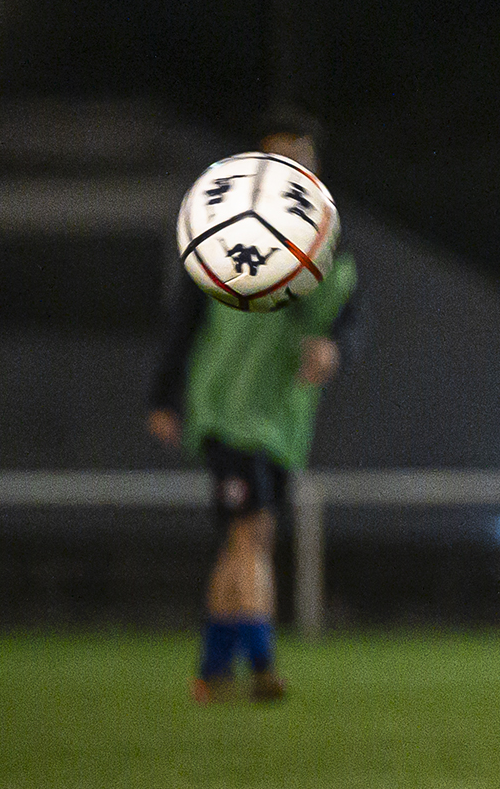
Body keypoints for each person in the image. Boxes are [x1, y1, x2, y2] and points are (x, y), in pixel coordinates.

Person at [147, 108, 364, 703]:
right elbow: (184, 319)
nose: (293, 167)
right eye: (281, 157)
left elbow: (345, 323)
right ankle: (263, 664)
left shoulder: (322, 245)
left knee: (245, 541)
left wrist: (334, 350)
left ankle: (213, 670)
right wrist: (165, 396)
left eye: (302, 156)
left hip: (281, 420)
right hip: (230, 412)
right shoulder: (223, 233)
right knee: (253, 534)